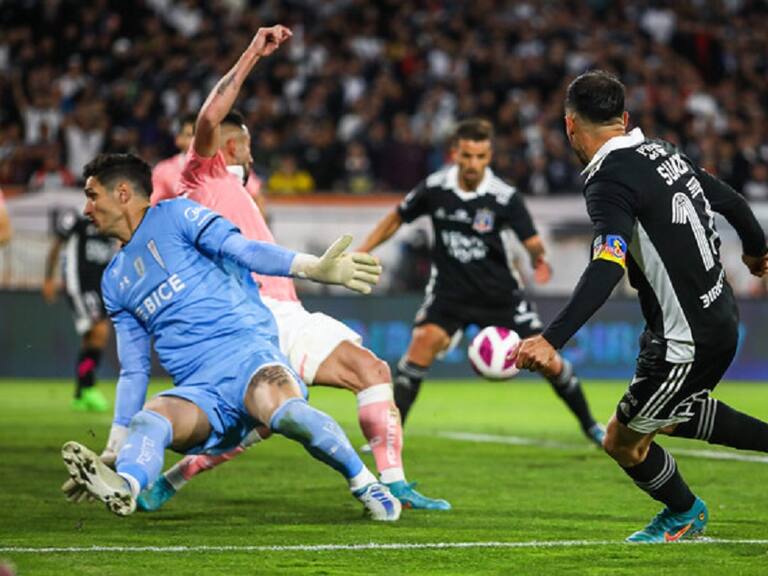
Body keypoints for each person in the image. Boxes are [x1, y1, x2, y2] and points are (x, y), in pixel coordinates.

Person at [131, 25, 448, 512]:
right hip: (254, 317)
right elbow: (211, 113)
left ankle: (170, 481)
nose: (254, 154)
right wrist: (253, 54)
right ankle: (387, 483)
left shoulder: (240, 192)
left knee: (314, 396)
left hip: (285, 313)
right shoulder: (203, 173)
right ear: (232, 148)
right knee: (298, 403)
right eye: (249, 146)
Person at [61, 152, 401, 521]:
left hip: (250, 360)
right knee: (150, 419)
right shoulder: (115, 280)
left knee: (287, 414)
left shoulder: (177, 215)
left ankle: (365, 483)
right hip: (200, 394)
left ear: (123, 193)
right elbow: (133, 369)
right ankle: (125, 484)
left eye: (92, 195)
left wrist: (312, 268)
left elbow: (246, 250)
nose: (86, 208)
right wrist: (115, 445)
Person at [516, 70, 768, 543]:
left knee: (623, 440)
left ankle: (685, 512)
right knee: (671, 411)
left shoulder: (608, 180)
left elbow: (607, 265)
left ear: (570, 126)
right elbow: (731, 202)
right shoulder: (662, 151)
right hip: (716, 317)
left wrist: (551, 340)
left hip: (686, 340)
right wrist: (757, 252)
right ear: (624, 118)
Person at [357, 118, 605, 446]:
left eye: (481, 157)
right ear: (455, 154)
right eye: (467, 156)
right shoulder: (435, 188)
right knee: (421, 343)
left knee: (548, 359)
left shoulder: (504, 197)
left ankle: (591, 426)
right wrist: (361, 250)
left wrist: (538, 259)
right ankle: (389, 439)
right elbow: (396, 218)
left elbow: (530, 239)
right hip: (450, 293)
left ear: (488, 157)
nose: (473, 164)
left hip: (499, 295)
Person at [43, 207, 116, 411]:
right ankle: (89, 387)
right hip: (79, 285)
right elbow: (56, 246)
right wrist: (49, 278)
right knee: (100, 332)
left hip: (99, 287)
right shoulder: (77, 220)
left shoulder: (111, 226)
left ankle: (81, 391)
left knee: (91, 340)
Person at [151, 113, 266, 215]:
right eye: (190, 135)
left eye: (199, 136)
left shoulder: (226, 166)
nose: (195, 141)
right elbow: (152, 206)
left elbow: (256, 195)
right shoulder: (164, 170)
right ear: (178, 139)